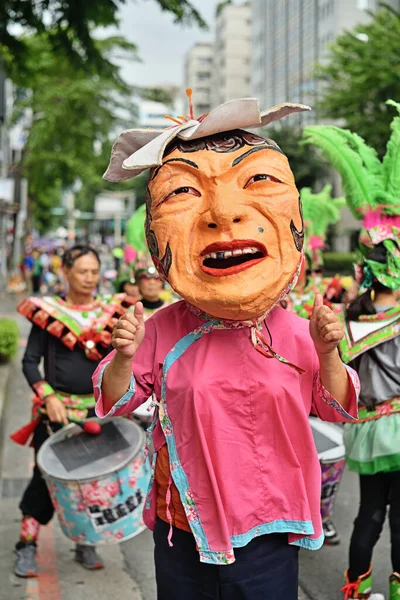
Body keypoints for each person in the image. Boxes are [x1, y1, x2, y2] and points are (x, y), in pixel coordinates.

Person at [93, 95, 359, 599]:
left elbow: (337, 409)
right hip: (183, 527)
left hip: (268, 530)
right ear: (154, 241)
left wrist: (328, 353)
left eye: (258, 179)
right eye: (183, 192)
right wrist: (124, 357)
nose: (222, 214)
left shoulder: (297, 331)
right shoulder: (162, 329)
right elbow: (116, 400)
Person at [303, 101, 400, 599]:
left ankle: (355, 590)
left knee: (370, 514)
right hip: (398, 427)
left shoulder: (352, 316)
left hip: (367, 426)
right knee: (399, 520)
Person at [12, 245, 134, 578]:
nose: (89, 278)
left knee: (92, 479)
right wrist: (47, 396)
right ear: (65, 271)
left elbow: (118, 362)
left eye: (94, 271)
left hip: (98, 414)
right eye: (82, 271)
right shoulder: (48, 313)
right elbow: (29, 361)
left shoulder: (111, 312)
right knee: (45, 478)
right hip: (56, 415)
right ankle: (26, 545)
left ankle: (85, 541)